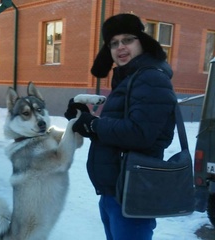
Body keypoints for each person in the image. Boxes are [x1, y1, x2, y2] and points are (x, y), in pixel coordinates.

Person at [64, 13, 177, 240]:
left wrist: (94, 125)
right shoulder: (130, 78)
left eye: (128, 39)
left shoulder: (151, 78)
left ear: (142, 42)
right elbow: (117, 131)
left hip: (133, 192)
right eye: (114, 43)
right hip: (115, 190)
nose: (120, 47)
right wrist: (83, 120)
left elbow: (140, 134)